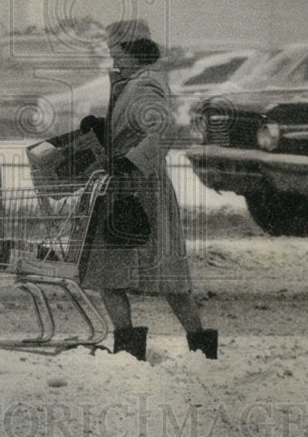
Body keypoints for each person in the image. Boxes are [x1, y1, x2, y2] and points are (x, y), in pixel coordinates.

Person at [79, 19, 218, 361]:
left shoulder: (143, 86)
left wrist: (131, 161)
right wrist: (101, 130)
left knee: (119, 274)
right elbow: (138, 129)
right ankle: (195, 349)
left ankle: (132, 354)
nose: (112, 59)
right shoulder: (135, 83)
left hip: (138, 191)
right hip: (136, 190)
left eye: (115, 52)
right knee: (154, 276)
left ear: (130, 51)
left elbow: (164, 129)